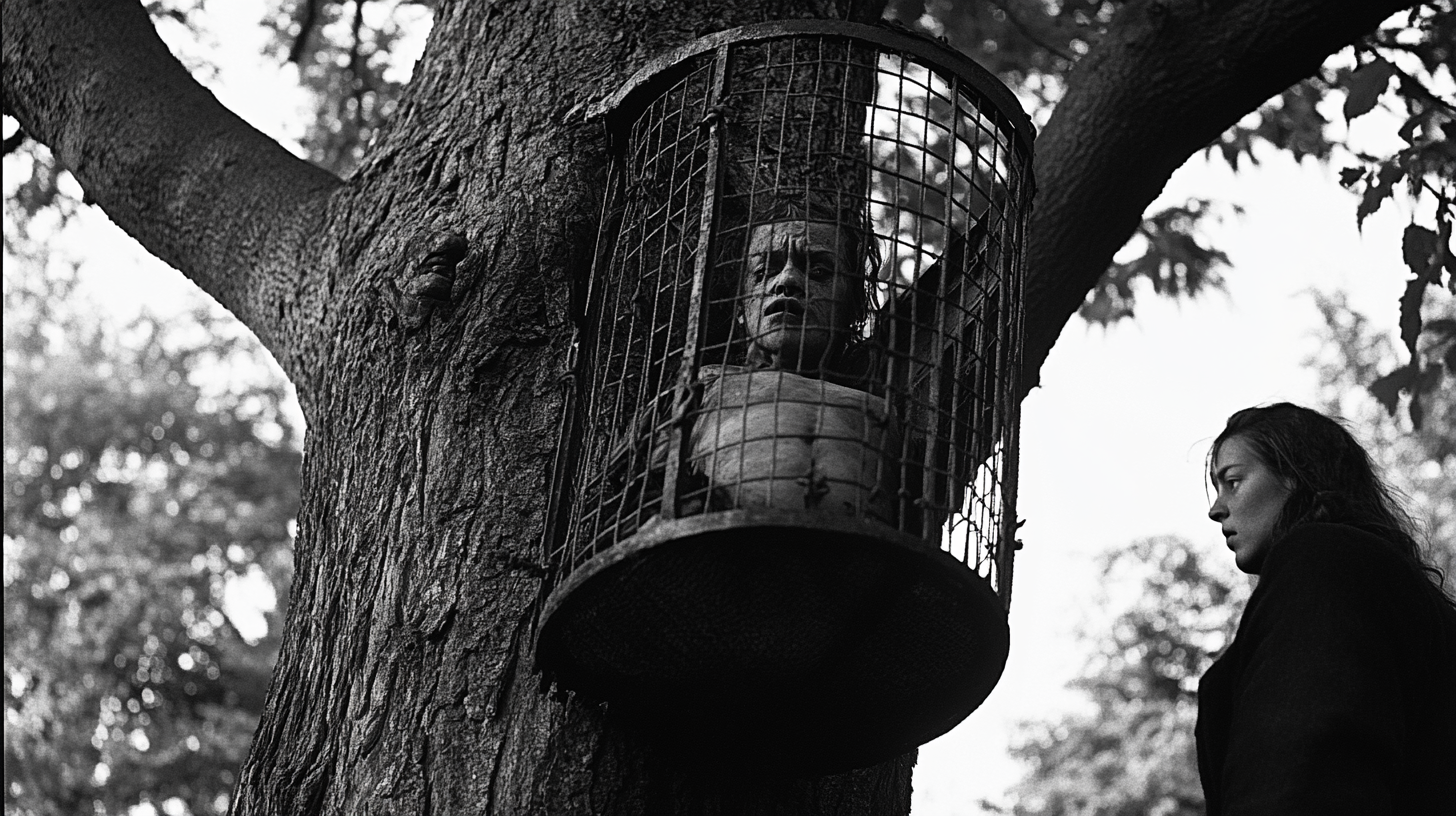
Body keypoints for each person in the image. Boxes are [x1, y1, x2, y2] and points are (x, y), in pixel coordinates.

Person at [1197, 403, 1456, 815]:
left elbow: (1304, 770)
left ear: (1296, 476)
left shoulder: (1322, 561)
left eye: (1234, 481)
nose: (1216, 510)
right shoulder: (1378, 588)